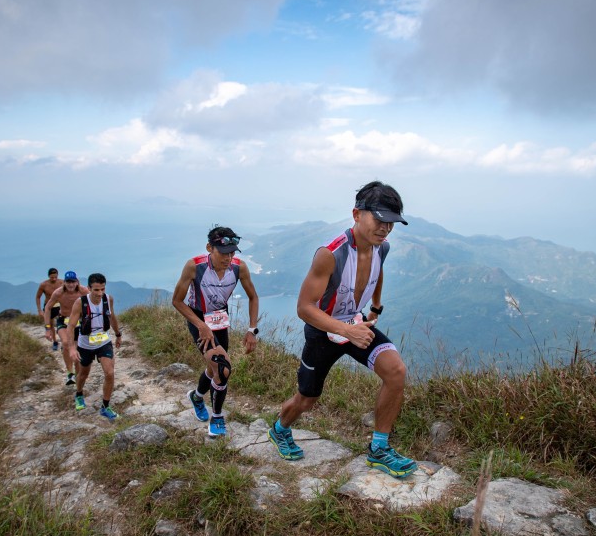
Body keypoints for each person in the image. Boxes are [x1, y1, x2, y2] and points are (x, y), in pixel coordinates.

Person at [267, 181, 417, 477]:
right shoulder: (330, 254)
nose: (385, 228)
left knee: (396, 371)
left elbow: (378, 273)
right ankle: (280, 429)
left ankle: (379, 449)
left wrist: (375, 307)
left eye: (391, 223)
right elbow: (304, 308)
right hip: (323, 330)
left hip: (356, 325)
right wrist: (347, 331)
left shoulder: (380, 248)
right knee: (307, 399)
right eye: (380, 219)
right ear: (357, 214)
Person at [171, 226, 260, 438]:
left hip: (220, 317)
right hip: (198, 318)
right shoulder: (194, 266)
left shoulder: (240, 268)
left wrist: (251, 330)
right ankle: (217, 417)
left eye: (232, 252)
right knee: (223, 368)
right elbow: (176, 301)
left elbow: (253, 297)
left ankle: (197, 396)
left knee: (214, 370)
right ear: (210, 248)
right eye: (223, 252)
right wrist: (201, 325)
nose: (228, 257)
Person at [66, 273, 122, 418]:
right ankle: (78, 394)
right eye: (96, 290)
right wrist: (72, 348)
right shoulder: (81, 302)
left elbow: (112, 316)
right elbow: (71, 326)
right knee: (83, 373)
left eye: (102, 289)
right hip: (86, 344)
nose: (100, 293)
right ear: (89, 288)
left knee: (109, 373)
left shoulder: (108, 299)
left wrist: (118, 334)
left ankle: (105, 406)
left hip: (104, 342)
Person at [44, 271, 89, 387]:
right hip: (63, 321)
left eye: (73, 282)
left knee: (78, 348)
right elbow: (48, 308)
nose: (70, 285)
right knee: (65, 343)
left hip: (80, 321)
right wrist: (48, 328)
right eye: (68, 282)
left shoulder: (83, 291)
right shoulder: (58, 293)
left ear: (77, 282)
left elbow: (93, 304)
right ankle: (70, 372)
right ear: (64, 282)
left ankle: (77, 376)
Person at [36, 268, 63, 351]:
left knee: (63, 324)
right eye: (52, 277)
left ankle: (63, 342)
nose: (54, 279)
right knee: (50, 325)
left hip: (60, 306)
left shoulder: (62, 282)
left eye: (55, 277)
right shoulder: (43, 285)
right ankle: (55, 342)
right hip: (49, 306)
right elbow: (38, 297)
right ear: (48, 276)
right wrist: (40, 310)